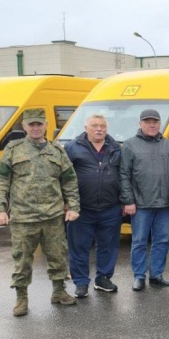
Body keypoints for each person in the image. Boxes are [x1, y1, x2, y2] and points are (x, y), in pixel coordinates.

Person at [0, 108, 81, 316]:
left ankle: (59, 292)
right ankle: (21, 298)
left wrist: (74, 206)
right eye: (31, 124)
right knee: (22, 260)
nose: (35, 128)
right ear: (24, 127)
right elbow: (1, 180)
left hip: (53, 216)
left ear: (46, 126)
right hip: (24, 217)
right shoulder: (14, 149)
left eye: (39, 124)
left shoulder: (57, 151)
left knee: (58, 256)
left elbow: (69, 180)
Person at [64, 114, 122, 298]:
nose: (99, 129)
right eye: (95, 125)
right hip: (81, 208)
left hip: (110, 206)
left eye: (102, 126)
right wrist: (66, 202)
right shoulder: (72, 148)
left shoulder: (116, 148)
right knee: (79, 246)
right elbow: (63, 177)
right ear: (86, 127)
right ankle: (81, 282)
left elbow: (124, 175)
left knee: (108, 245)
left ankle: (103, 278)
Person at [120, 109, 169, 291]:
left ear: (160, 124)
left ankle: (157, 275)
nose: (151, 125)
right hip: (141, 204)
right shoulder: (129, 145)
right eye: (147, 122)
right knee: (139, 241)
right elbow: (124, 175)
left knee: (162, 240)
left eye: (155, 122)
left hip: (164, 204)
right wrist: (128, 201)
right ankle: (139, 276)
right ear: (140, 124)